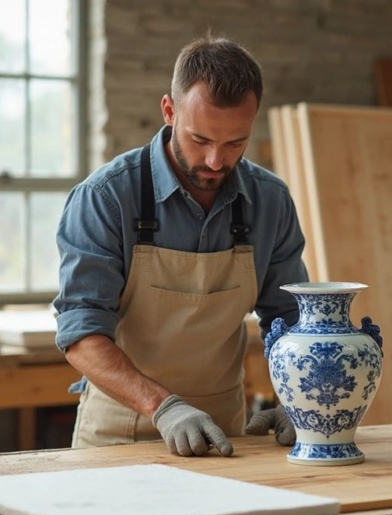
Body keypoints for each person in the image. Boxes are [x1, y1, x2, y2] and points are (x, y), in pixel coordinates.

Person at [53, 35, 305, 457]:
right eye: (201, 139)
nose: (215, 162)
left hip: (225, 434)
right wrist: (163, 407)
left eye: (234, 143)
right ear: (169, 111)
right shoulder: (108, 197)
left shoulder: (270, 201)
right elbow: (81, 335)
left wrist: (298, 401)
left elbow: (290, 319)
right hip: (120, 433)